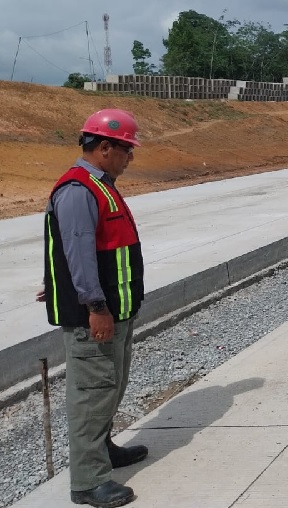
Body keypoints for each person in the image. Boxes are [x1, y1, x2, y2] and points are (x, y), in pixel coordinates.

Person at [38, 109, 147, 507]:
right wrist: (94, 304)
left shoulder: (101, 186)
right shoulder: (78, 189)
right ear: (104, 148)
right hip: (96, 316)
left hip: (115, 311)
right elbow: (78, 252)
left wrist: (58, 284)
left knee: (110, 387)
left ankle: (103, 452)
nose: (129, 158)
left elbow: (72, 254)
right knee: (91, 394)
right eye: (125, 150)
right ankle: (87, 481)